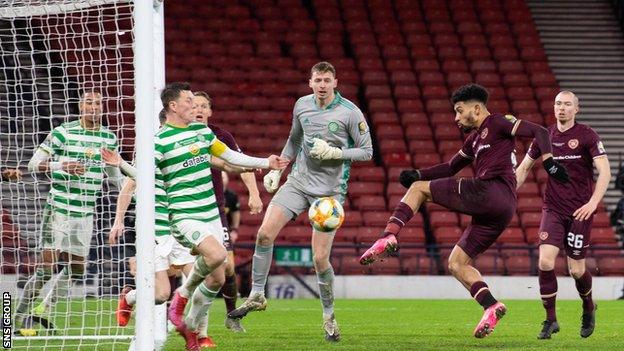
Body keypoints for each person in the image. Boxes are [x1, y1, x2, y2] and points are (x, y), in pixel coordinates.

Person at [360, 83, 569, 338]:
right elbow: (450, 167)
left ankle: (388, 235)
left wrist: (549, 162)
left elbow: (538, 131)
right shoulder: (474, 140)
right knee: (457, 263)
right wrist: (418, 173)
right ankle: (491, 306)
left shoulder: (498, 122)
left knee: (418, 190)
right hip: (501, 210)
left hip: (490, 191)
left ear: (477, 108)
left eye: (460, 111)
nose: (456, 117)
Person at [227, 61, 373, 342]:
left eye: (326, 80)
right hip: (297, 182)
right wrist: (279, 169)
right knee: (264, 234)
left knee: (320, 259)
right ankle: (257, 294)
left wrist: (335, 153)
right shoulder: (301, 105)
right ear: (310, 82)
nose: (321, 85)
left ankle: (329, 317)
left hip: (329, 194)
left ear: (335, 83)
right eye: (317, 80)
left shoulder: (350, 113)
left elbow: (367, 151)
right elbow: (294, 139)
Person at [158, 82, 287, 351]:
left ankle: (192, 330)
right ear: (173, 106)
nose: (195, 106)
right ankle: (180, 296)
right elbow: (142, 180)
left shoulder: (202, 133)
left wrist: (267, 162)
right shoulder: (158, 141)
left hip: (212, 213)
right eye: (190, 101)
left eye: (200, 103)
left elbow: (229, 157)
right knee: (215, 257)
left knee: (217, 277)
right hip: (183, 215)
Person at [14, 91, 124, 330]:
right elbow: (33, 165)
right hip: (59, 209)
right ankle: (13, 320)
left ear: (102, 108)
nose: (93, 107)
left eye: (98, 103)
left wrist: (139, 192)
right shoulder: (63, 131)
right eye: (88, 102)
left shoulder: (108, 138)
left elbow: (115, 178)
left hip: (85, 214)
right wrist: (62, 165)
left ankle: (44, 308)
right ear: (80, 106)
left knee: (76, 269)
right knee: (45, 269)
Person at [515, 91, 609, 339]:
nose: (562, 108)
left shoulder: (587, 135)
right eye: (558, 104)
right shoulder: (544, 136)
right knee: (545, 262)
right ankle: (550, 320)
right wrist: (503, 191)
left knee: (576, 270)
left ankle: (588, 306)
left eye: (567, 104)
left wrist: (593, 202)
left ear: (576, 109)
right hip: (553, 208)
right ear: (553, 107)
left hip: (580, 211)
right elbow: (524, 168)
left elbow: (605, 171)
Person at [193, 91, 262, 338]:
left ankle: (231, 316)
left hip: (215, 209)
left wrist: (254, 193)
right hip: (185, 210)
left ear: (210, 111)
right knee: (189, 270)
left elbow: (239, 162)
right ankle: (186, 321)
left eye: (204, 106)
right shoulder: (179, 135)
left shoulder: (221, 136)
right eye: (195, 105)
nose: (199, 109)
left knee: (227, 267)